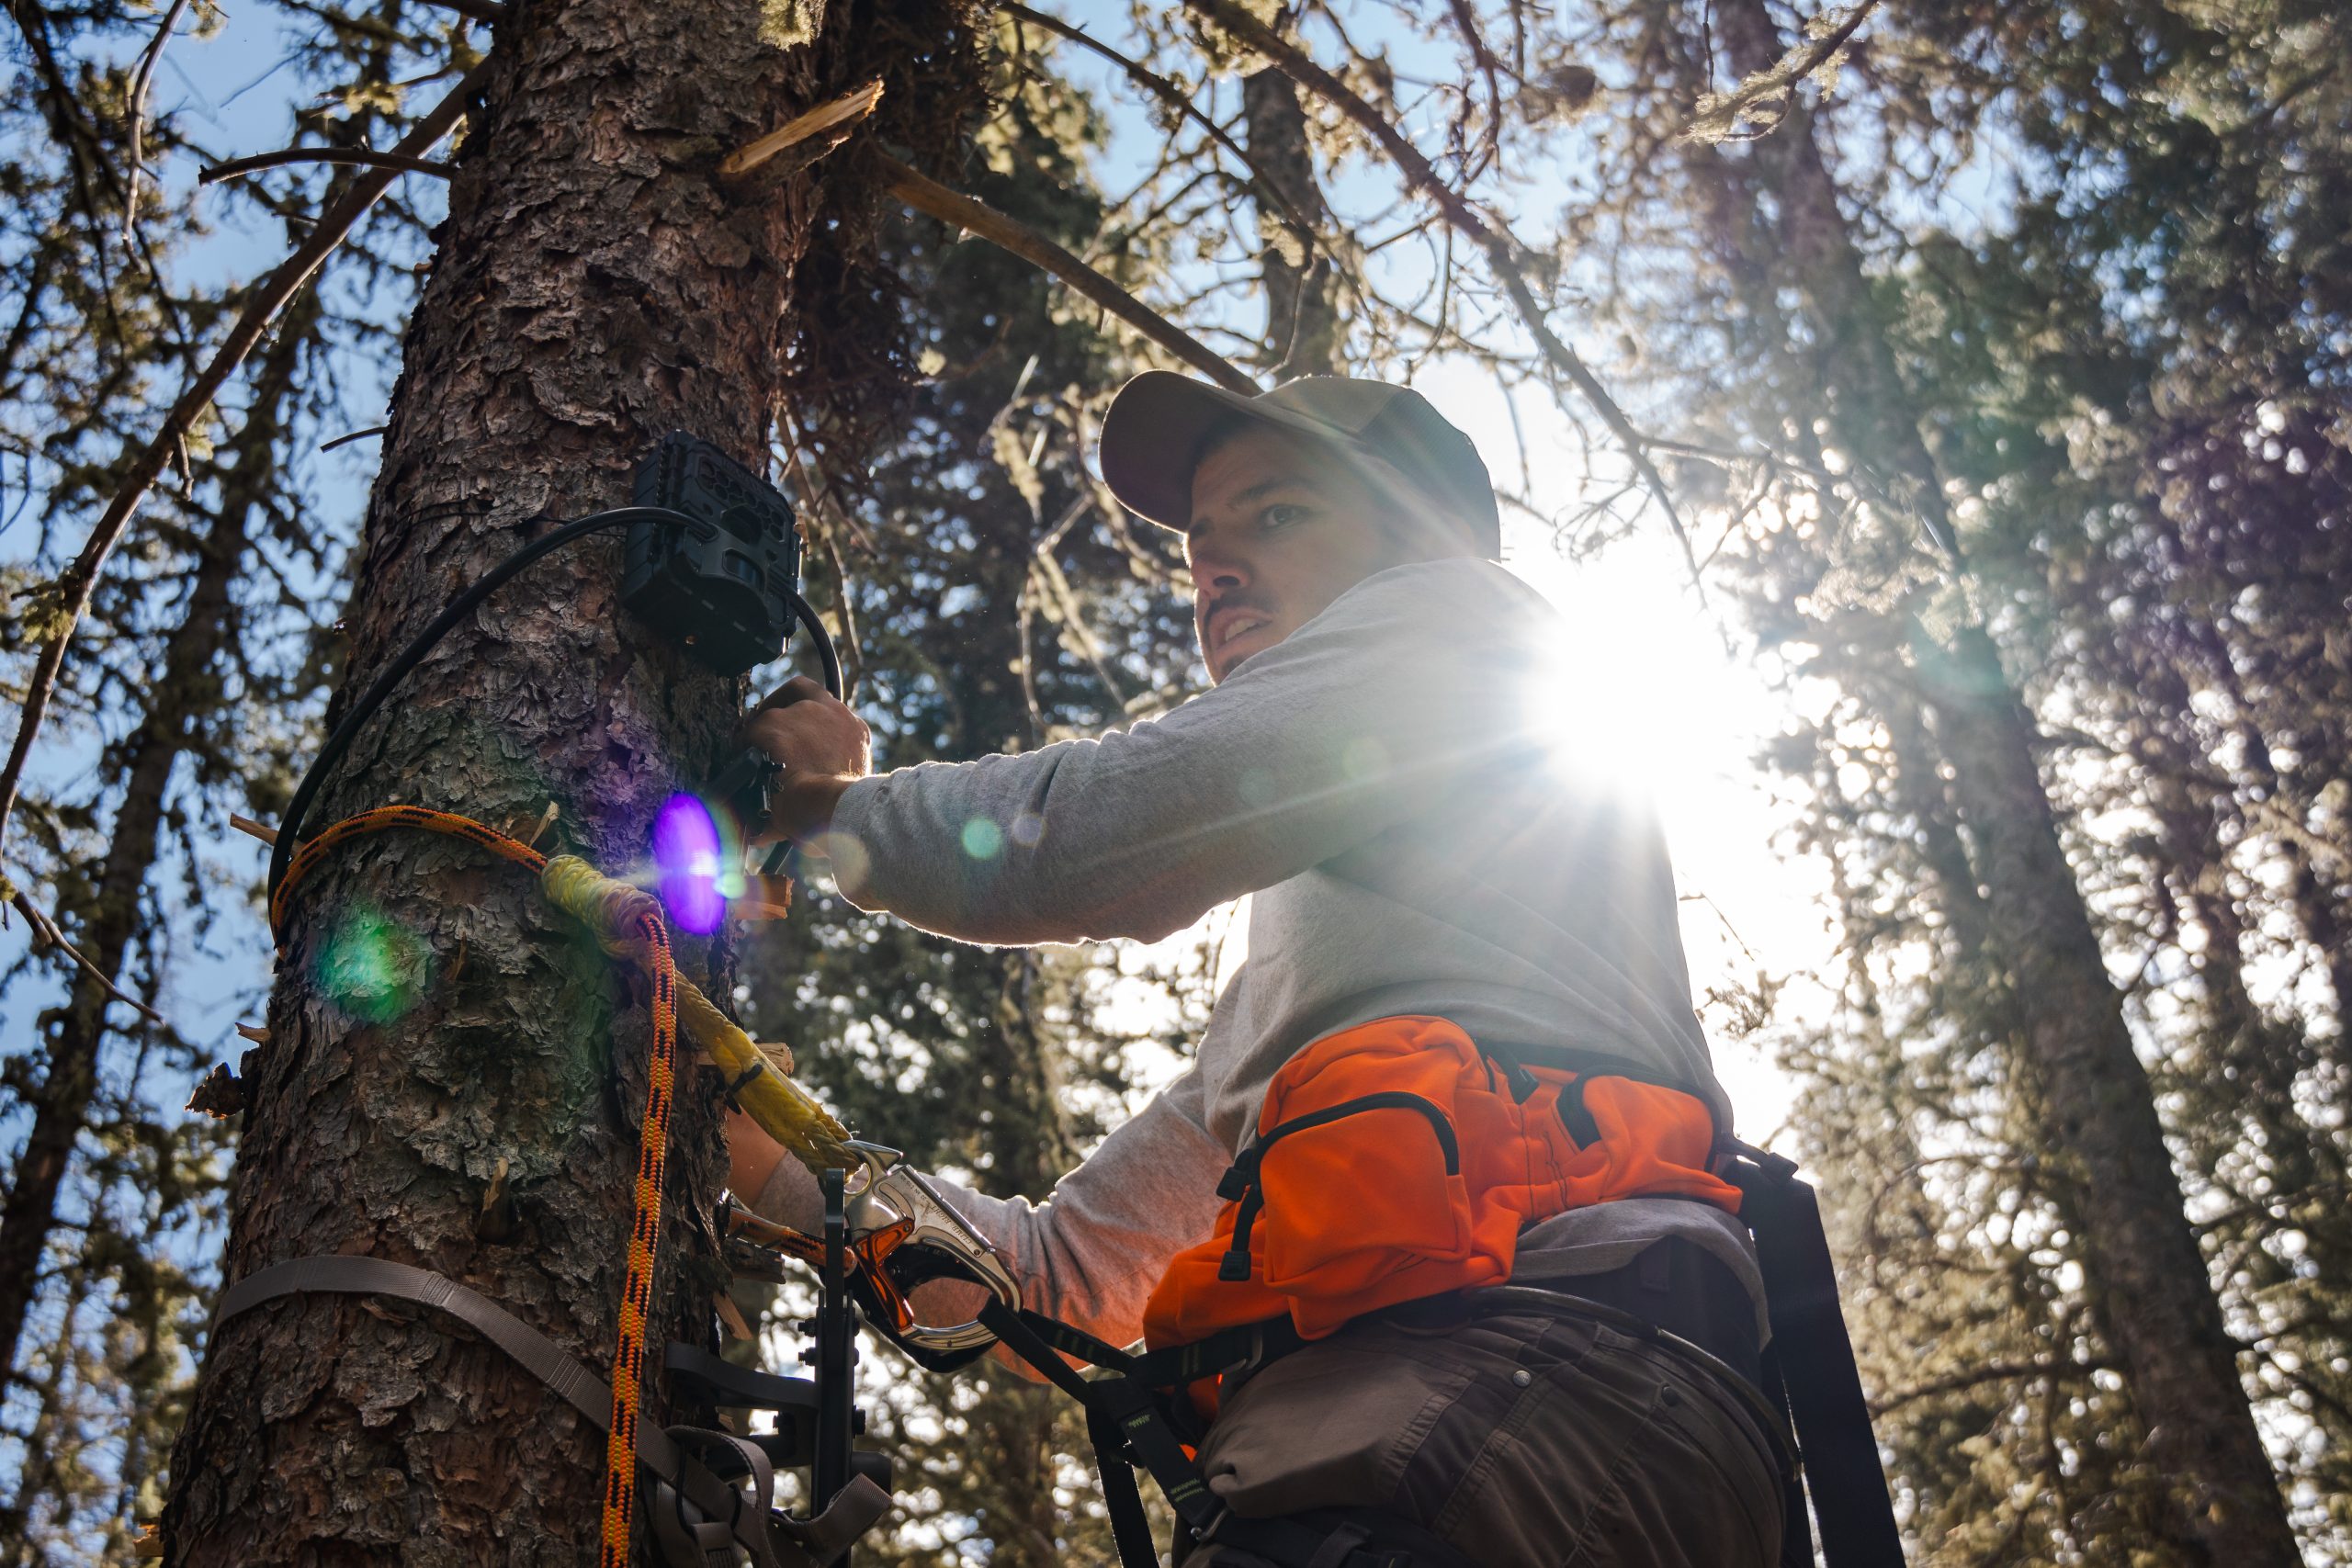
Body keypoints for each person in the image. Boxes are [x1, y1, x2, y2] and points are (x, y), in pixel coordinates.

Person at [726, 373, 1786, 1568]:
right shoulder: (1309, 1000)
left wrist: (799, 802)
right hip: (1469, 1424)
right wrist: (762, 1152)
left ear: (1423, 539)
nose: (1217, 570)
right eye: (1200, 551)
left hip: (1524, 1389)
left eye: (1275, 516)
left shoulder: (1468, 627)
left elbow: (1082, 840)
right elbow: (1062, 1274)